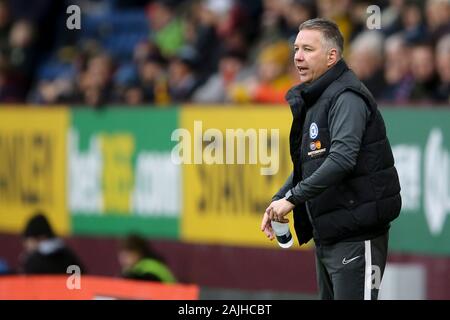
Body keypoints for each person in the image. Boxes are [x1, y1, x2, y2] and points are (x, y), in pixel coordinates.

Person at [260, 18, 402, 300]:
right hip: (330, 234)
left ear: (331, 56)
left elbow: (341, 159)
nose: (298, 57)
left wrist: (293, 199)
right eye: (296, 49)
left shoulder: (346, 97)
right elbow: (310, 163)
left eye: (308, 49)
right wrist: (280, 198)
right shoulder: (318, 96)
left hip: (356, 236)